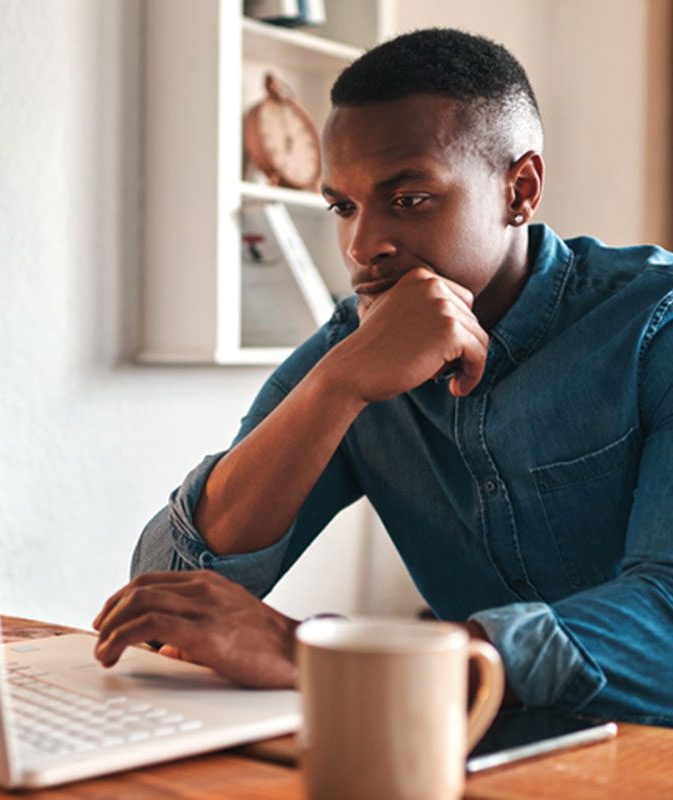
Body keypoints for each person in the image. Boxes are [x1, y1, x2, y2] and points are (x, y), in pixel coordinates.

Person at [93, 28, 673, 725]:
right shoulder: (355, 348)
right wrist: (336, 389)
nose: (363, 246)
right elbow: (172, 596)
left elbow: (665, 616)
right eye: (342, 205)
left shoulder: (653, 325)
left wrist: (331, 654)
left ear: (520, 190)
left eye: (410, 199)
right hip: (476, 760)